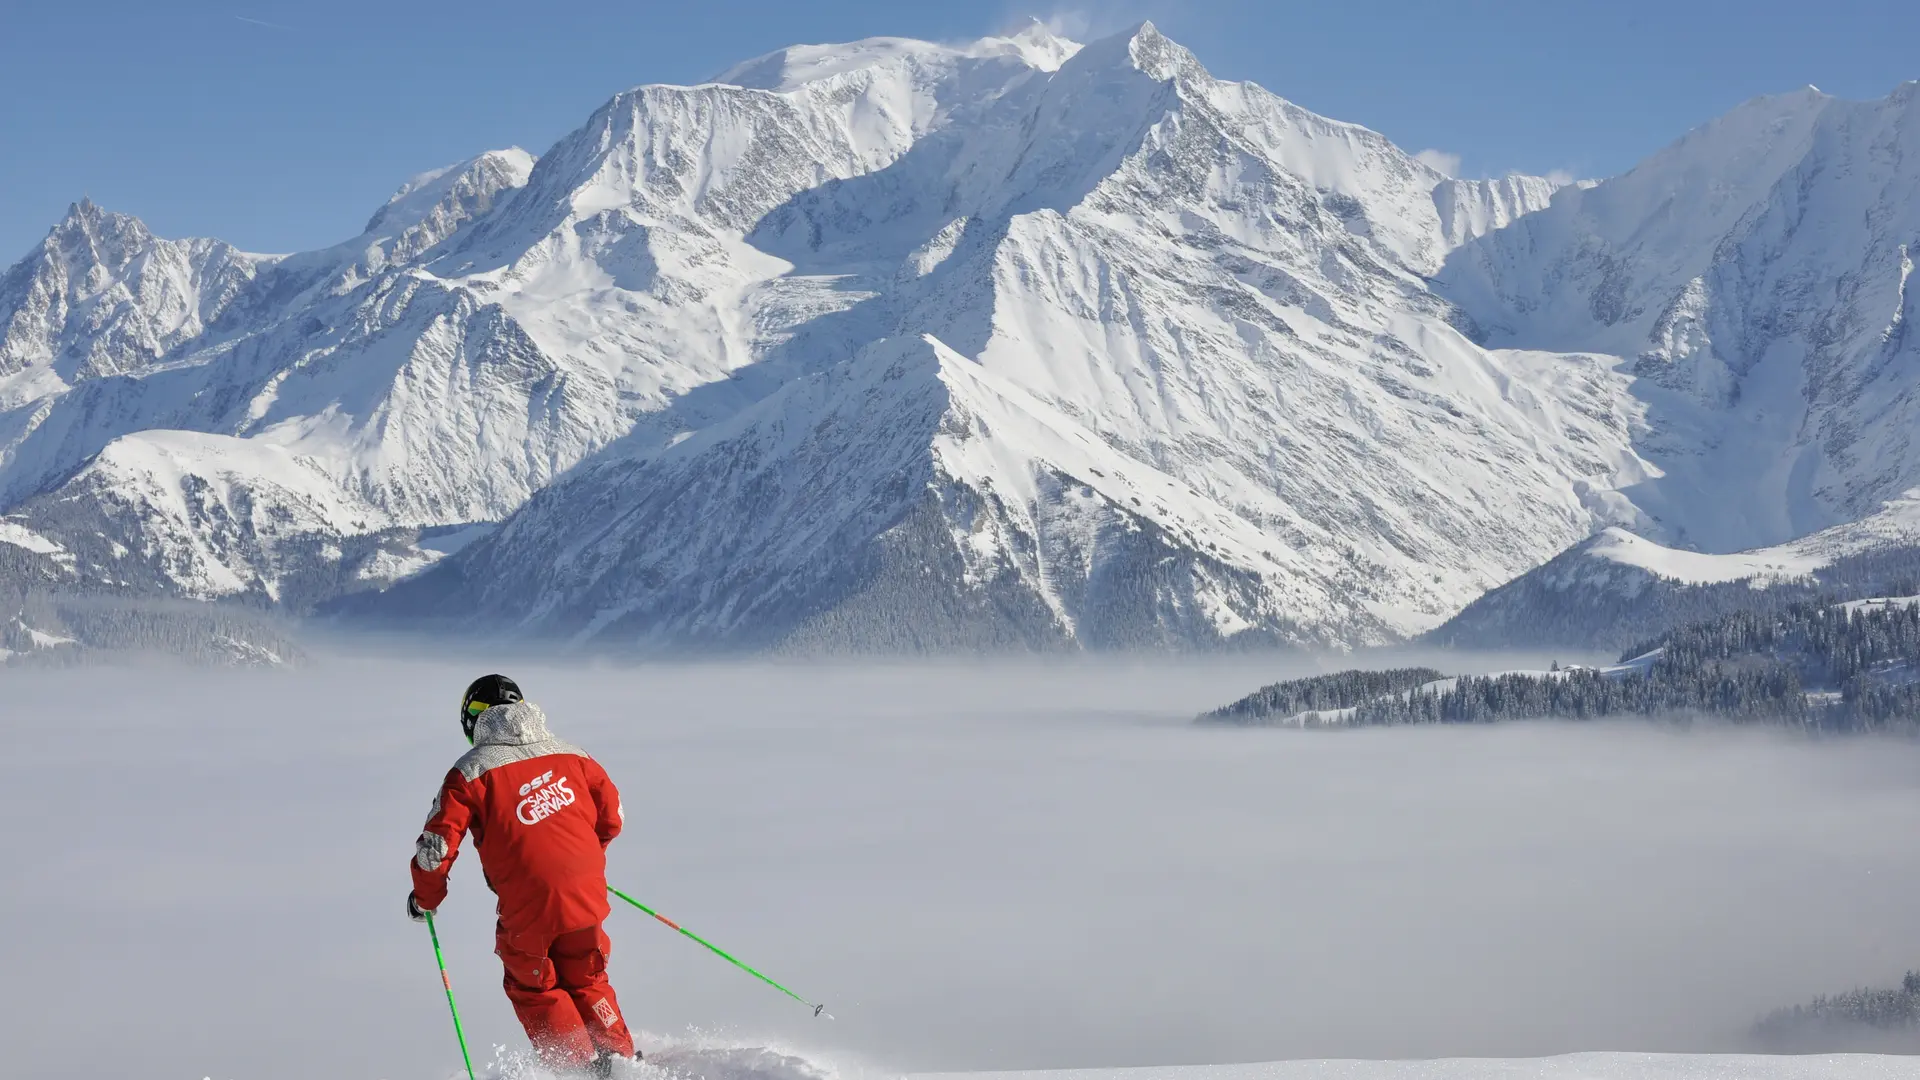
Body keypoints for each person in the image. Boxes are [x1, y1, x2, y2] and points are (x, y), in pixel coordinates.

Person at [408, 674, 638, 1077]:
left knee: (535, 985)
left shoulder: (471, 771)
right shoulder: (574, 754)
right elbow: (613, 816)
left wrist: (425, 900)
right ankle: (622, 1061)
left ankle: (579, 1071)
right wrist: (579, 863)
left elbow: (435, 850)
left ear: (472, 722)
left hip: (529, 906)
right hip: (587, 893)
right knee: (587, 975)